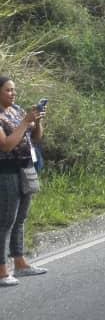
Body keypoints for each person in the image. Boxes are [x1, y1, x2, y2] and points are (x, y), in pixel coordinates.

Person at [0, 76, 47, 286]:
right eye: (8, 90)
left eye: (14, 90)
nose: (13, 94)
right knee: (5, 221)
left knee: (21, 218)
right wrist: (25, 122)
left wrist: (36, 121)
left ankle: (20, 263)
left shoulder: (17, 110)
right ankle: (2, 269)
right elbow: (7, 145)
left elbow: (36, 138)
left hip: (26, 169)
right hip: (7, 173)